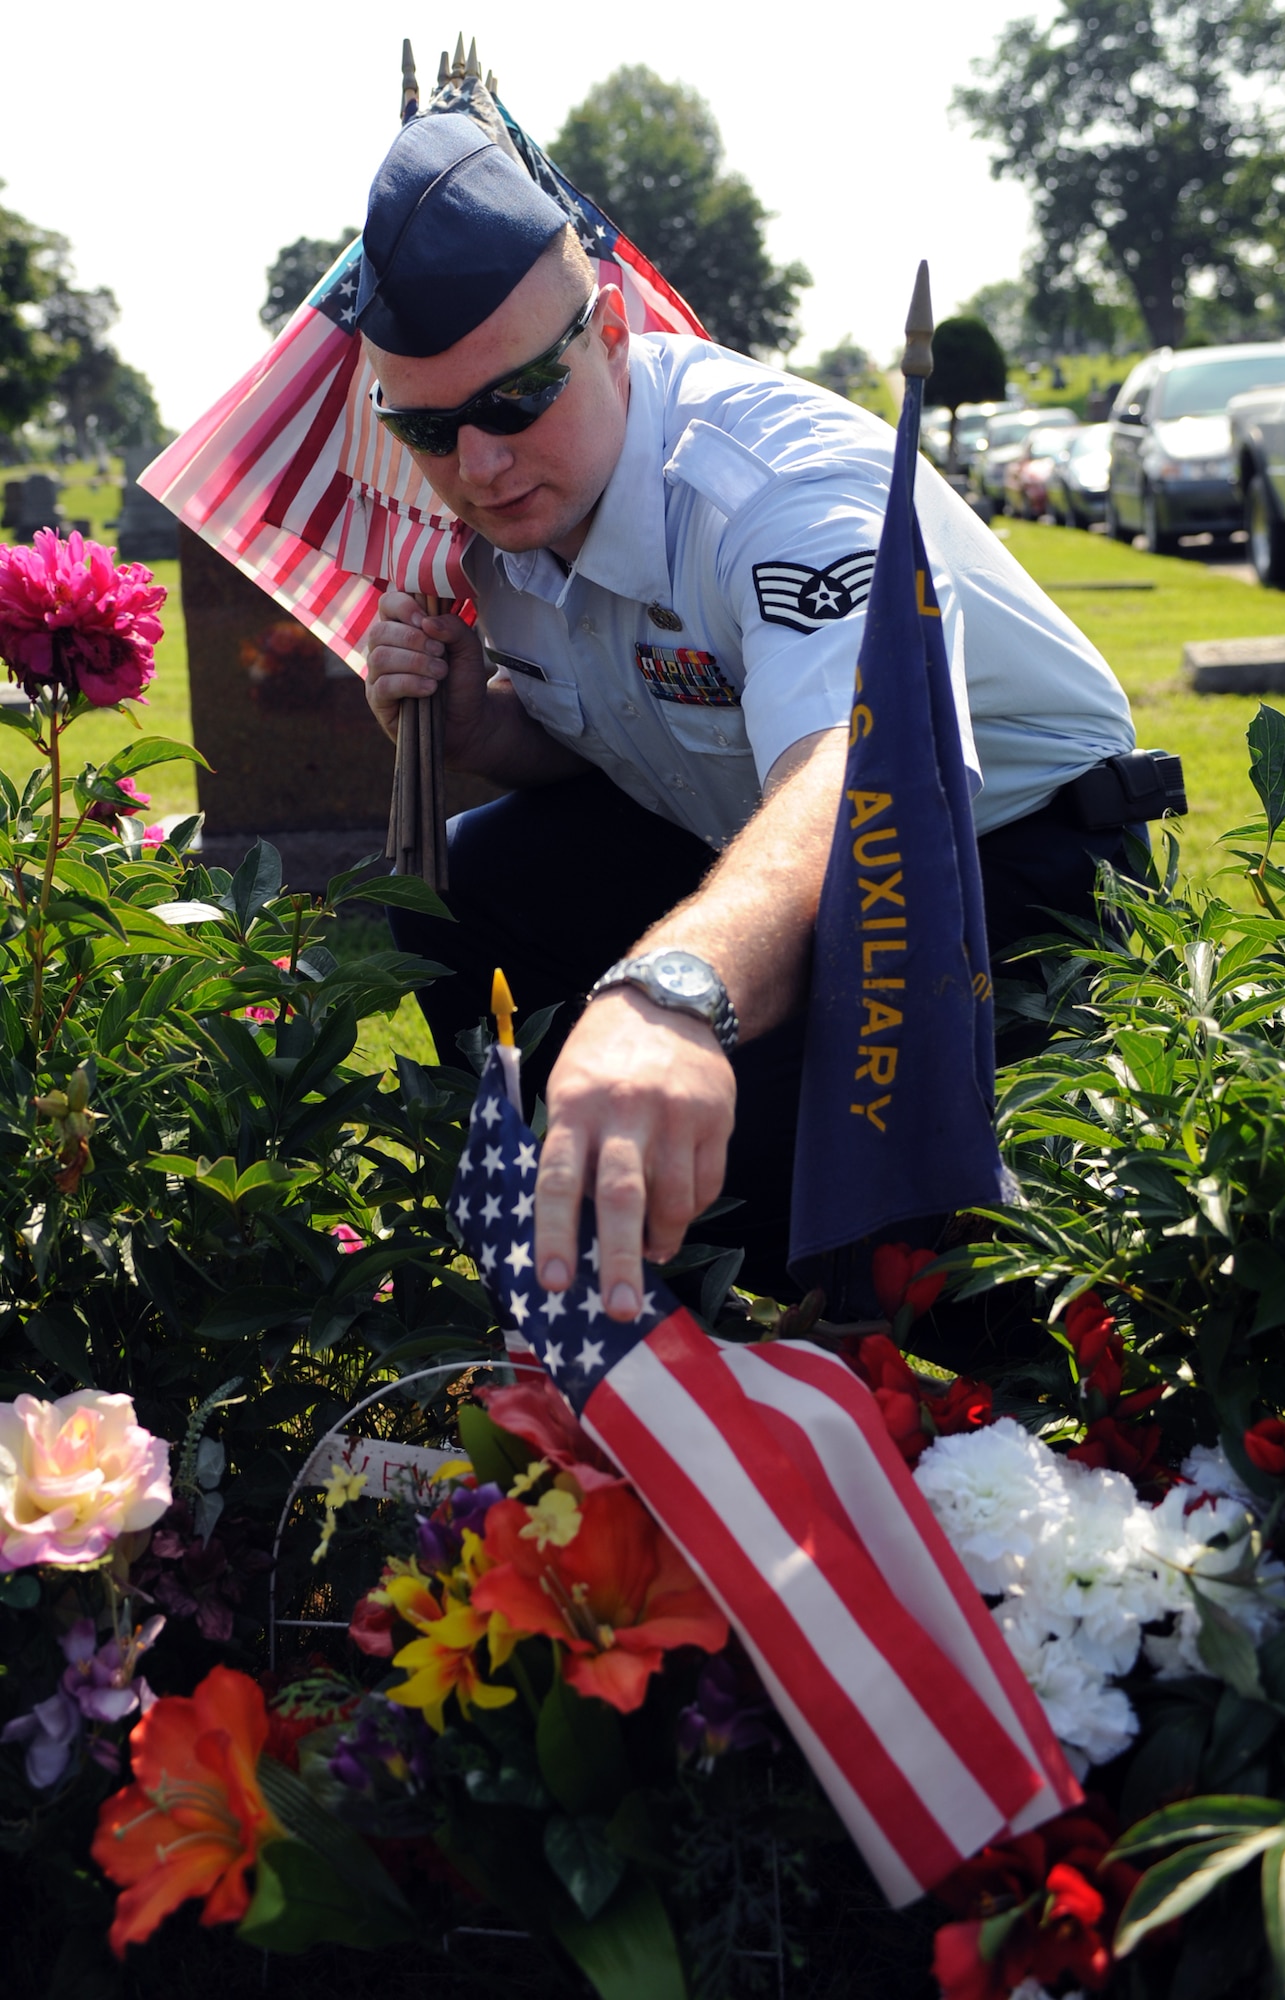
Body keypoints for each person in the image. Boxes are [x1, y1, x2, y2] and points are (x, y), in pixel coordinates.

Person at [356, 112, 1143, 1322]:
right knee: (450, 887)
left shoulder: (771, 488)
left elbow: (856, 771)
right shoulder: (499, 522)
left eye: (515, 397)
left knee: (921, 1266)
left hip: (998, 861)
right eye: (424, 428)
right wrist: (478, 729)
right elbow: (624, 728)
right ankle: (599, 1292)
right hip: (740, 837)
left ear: (609, 332)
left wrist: (671, 992)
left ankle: (817, 1348)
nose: (479, 464)